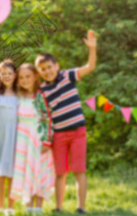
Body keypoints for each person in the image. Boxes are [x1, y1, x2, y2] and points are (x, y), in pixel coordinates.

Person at [34, 30, 97, 214]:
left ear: (56, 65)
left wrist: (92, 49)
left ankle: (81, 207)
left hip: (78, 131)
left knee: (79, 170)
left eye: (49, 67)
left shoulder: (68, 76)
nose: (47, 71)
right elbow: (44, 115)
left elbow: (90, 67)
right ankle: (59, 206)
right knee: (60, 172)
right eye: (43, 69)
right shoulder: (43, 90)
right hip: (59, 134)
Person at [10, 63, 55, 214]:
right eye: (21, 77)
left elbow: (46, 119)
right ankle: (29, 207)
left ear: (36, 77)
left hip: (38, 139)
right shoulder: (18, 96)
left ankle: (38, 208)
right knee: (25, 171)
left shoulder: (40, 96)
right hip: (22, 140)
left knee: (38, 170)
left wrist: (47, 140)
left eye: (28, 76)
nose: (25, 80)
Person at [0, 60, 18, 215]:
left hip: (15, 137)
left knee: (13, 174)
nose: (7, 77)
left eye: (10, 74)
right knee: (1, 173)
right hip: (0, 137)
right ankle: (1, 207)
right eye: (4, 74)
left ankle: (10, 207)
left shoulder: (19, 93)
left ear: (15, 75)